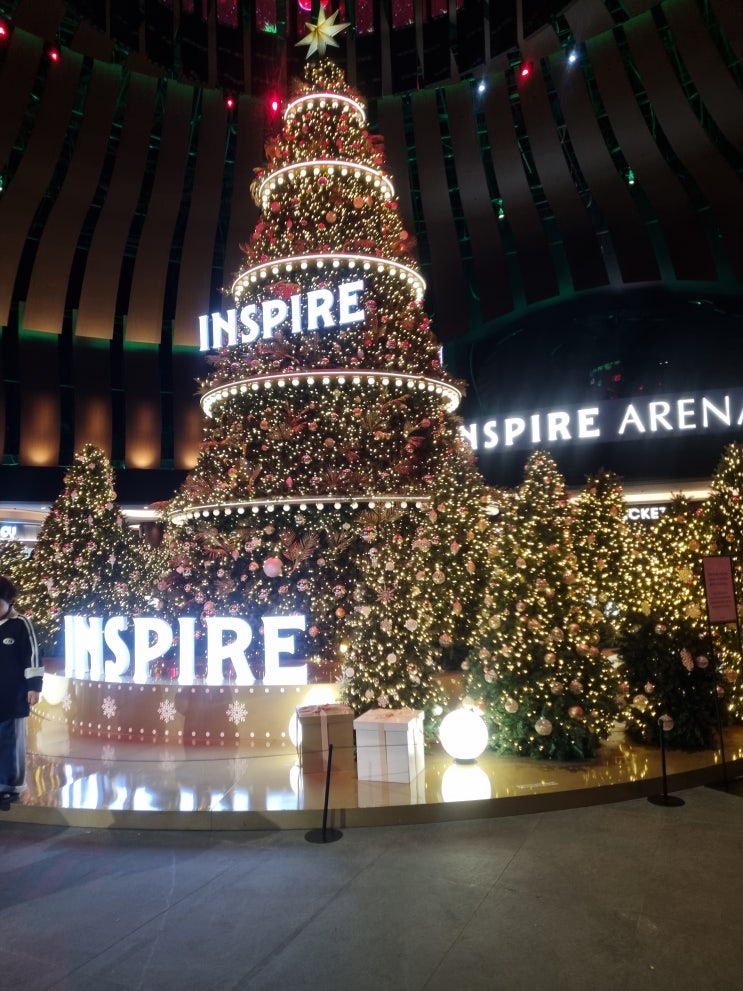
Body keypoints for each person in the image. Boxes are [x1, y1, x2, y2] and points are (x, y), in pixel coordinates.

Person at [0, 575, 43, 804]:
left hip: (12, 694)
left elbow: (32, 656)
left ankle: (11, 786)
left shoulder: (20, 624)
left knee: (11, 740)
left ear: (9, 602)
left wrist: (34, 687)